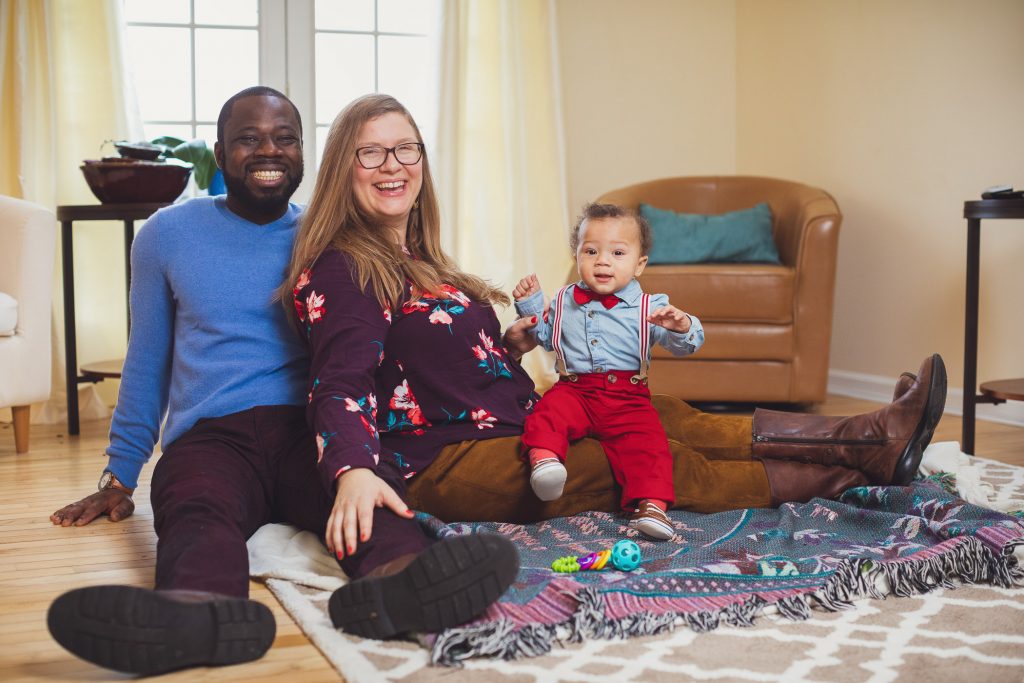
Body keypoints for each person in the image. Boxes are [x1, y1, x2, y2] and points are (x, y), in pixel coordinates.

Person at [284, 92, 947, 640]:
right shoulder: (343, 269)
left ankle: (872, 439)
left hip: (522, 417)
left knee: (661, 413)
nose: (392, 164)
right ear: (345, 166)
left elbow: (432, 354)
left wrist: (509, 344)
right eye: (371, 152)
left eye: (406, 148)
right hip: (447, 459)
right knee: (635, 463)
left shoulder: (425, 261)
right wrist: (351, 469)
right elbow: (338, 377)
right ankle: (844, 473)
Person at [45, 86, 519, 677]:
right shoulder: (167, 235)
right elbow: (147, 361)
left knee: (366, 496)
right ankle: (199, 614)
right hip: (211, 437)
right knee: (195, 511)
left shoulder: (333, 241)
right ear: (219, 154)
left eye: (285, 138)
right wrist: (120, 473)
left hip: (308, 427)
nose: (269, 150)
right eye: (249, 138)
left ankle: (401, 587)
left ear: (304, 155)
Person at [511, 203, 704, 540]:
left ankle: (652, 506)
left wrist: (680, 325)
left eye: (617, 252)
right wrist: (530, 306)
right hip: (575, 390)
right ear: (577, 256)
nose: (602, 260)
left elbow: (687, 345)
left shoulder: (651, 306)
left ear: (639, 263)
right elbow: (544, 336)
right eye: (591, 251)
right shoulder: (563, 300)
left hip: (627, 397)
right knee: (546, 412)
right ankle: (545, 463)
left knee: (649, 445)